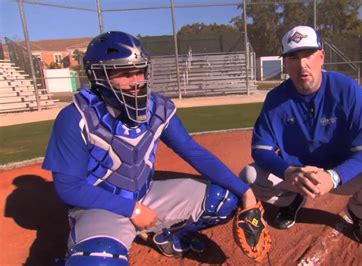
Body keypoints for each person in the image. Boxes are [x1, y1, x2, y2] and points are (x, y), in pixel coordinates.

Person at [42, 31, 258, 265]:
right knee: (99, 258)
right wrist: (132, 210)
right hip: (99, 206)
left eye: (140, 71)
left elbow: (193, 151)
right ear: (99, 77)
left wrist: (246, 191)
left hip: (144, 196)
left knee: (223, 199)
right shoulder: (75, 117)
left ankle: (166, 235)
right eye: (125, 74)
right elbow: (69, 188)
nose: (137, 82)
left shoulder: (157, 109)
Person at [240, 25, 362, 245]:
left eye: (308, 54)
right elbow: (261, 150)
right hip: (297, 176)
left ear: (322, 56)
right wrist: (288, 172)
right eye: (293, 57)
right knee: (249, 175)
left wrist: (334, 176)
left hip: (344, 173)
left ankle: (359, 214)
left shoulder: (347, 90)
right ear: (285, 63)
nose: (302, 64)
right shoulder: (275, 99)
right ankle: (291, 200)